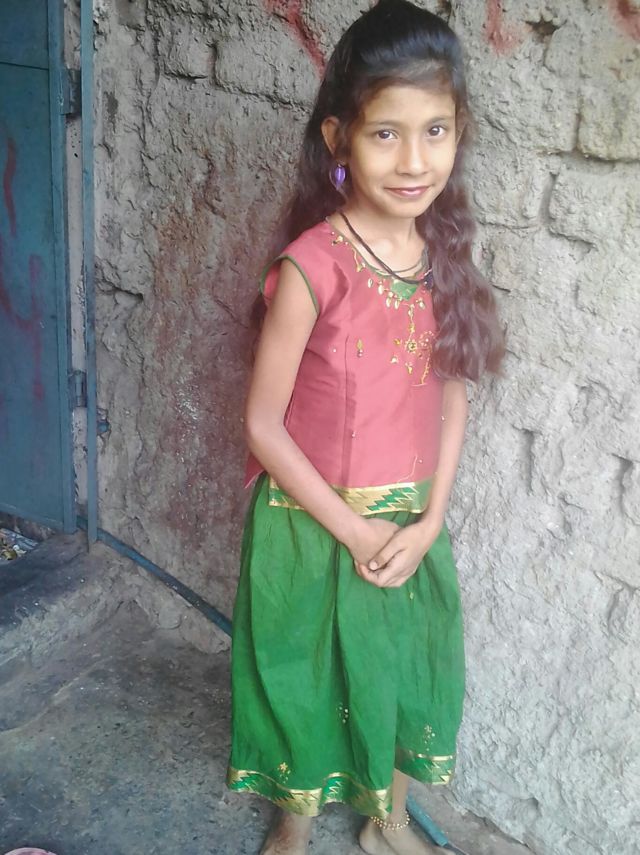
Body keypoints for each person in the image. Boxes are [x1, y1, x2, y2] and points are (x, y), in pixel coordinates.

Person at [226, 1, 504, 853]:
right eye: (386, 134)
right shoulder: (313, 266)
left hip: (409, 526)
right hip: (311, 527)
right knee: (303, 677)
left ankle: (387, 820)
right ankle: (295, 824)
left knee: (404, 675)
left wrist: (429, 521)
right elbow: (263, 424)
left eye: (435, 131)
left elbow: (451, 398)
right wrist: (353, 530)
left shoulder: (444, 258)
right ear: (339, 138)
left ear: (459, 134)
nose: (414, 160)